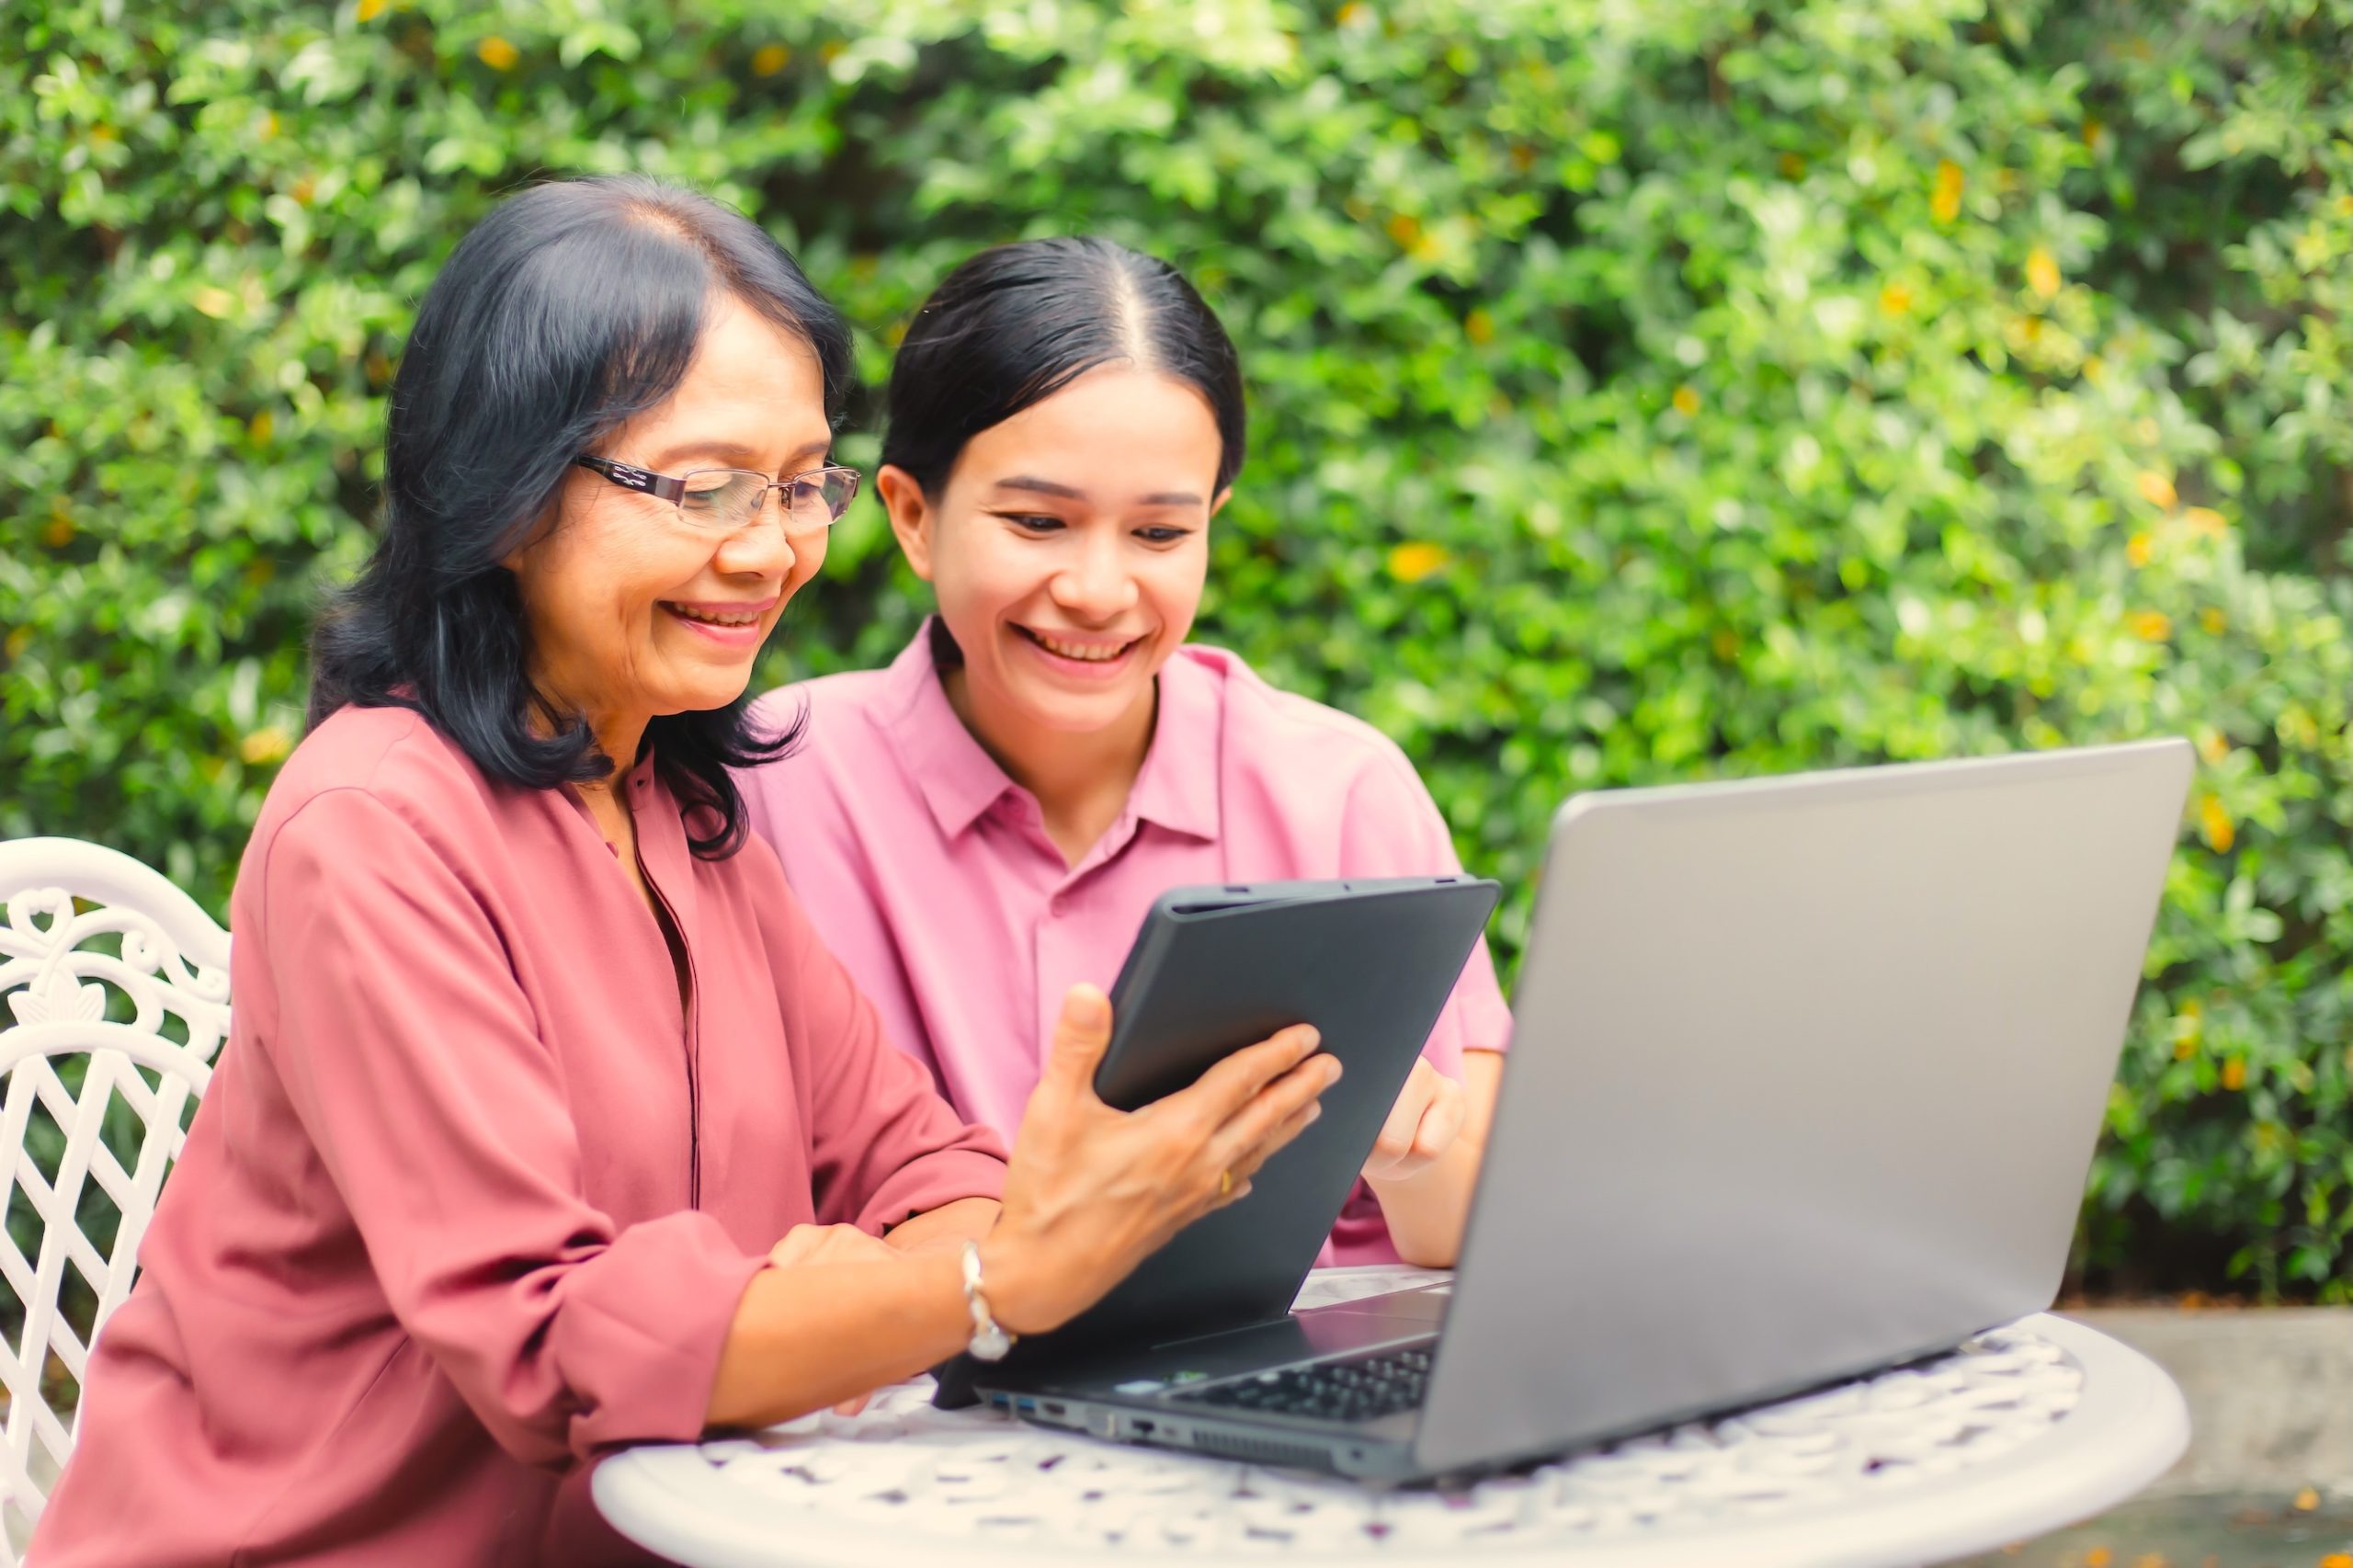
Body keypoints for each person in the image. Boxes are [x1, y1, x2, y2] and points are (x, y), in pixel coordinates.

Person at [31, 180, 1336, 1568]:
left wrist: (892, 1275)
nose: (770, 546)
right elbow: (545, 1332)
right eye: (705, 484)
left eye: (796, 483)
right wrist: (984, 1279)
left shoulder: (674, 804)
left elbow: (912, 1151)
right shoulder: (371, 828)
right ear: (509, 491)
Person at [738, 238, 1509, 1269]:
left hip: (1284, 1392)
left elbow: (1477, 1226)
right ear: (913, 516)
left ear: (1210, 527)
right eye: (1037, 521)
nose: (1098, 590)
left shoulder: (1340, 790)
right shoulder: (773, 783)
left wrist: (1414, 1158)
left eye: (1157, 534)